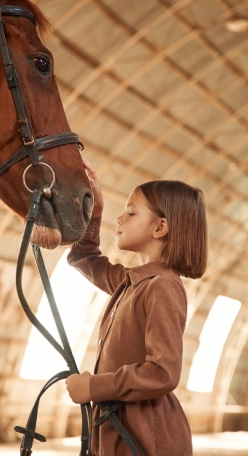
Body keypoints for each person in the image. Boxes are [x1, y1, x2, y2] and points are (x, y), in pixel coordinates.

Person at [65, 158, 208, 456]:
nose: (120, 218)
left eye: (131, 212)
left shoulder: (163, 287)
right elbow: (83, 258)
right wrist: (95, 212)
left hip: (144, 441)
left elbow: (163, 372)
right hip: (117, 433)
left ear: (160, 227)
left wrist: (94, 387)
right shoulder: (130, 282)